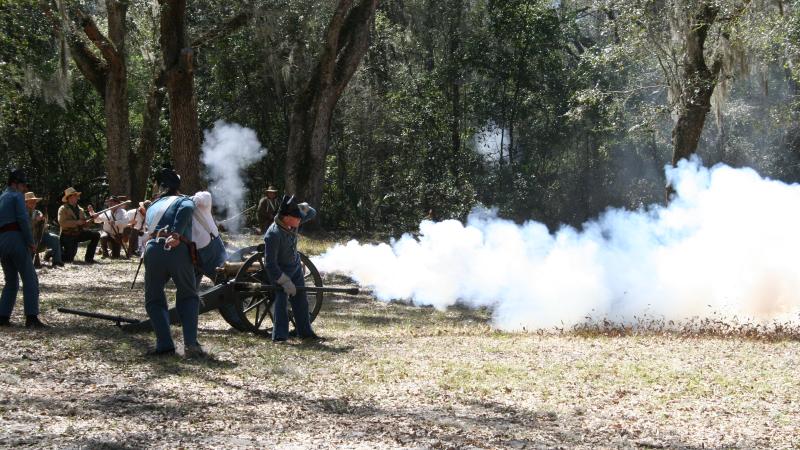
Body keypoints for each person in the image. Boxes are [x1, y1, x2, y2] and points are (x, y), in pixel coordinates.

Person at [142, 167, 203, 357]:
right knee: (188, 296)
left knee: (154, 298)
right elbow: (186, 208)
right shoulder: (184, 200)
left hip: (153, 249)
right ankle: (191, 345)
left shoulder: (153, 205)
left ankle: (164, 344)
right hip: (177, 251)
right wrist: (176, 233)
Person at [263, 194, 318, 342]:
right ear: (286, 217)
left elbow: (312, 212)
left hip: (295, 268)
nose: (300, 220)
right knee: (281, 303)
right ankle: (280, 336)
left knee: (301, 301)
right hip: (280, 272)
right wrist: (285, 281)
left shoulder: (293, 221)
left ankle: (305, 332)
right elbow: (270, 264)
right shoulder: (273, 235)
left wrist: (299, 205)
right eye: (297, 217)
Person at [0, 169, 47, 328]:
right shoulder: (16, 196)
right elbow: (22, 219)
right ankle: (31, 317)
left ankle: (3, 316)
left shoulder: (2, 197)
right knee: (30, 278)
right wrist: (30, 241)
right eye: (22, 185)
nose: (24, 189)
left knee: (11, 281)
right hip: (16, 238)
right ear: (15, 183)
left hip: (2, 241)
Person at [191, 191, 226, 288]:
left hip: (196, 248)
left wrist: (186, 202)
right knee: (223, 278)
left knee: (192, 284)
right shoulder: (179, 204)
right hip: (206, 247)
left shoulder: (182, 203)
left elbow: (204, 197)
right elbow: (206, 196)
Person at [58, 187, 100, 264]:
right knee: (68, 259)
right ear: (69, 198)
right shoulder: (63, 209)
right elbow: (62, 223)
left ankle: (89, 258)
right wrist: (77, 222)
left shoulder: (80, 209)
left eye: (76, 195)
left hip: (78, 233)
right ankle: (52, 253)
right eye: (74, 195)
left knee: (96, 235)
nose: (77, 197)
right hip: (67, 236)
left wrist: (92, 219)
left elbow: (85, 225)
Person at [24, 192, 63, 268]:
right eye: (31, 201)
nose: (33, 203)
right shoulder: (21, 213)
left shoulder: (37, 212)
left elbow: (43, 225)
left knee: (55, 238)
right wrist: (35, 220)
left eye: (34, 202)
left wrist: (43, 221)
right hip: (27, 239)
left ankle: (57, 261)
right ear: (26, 203)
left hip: (40, 237)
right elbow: (25, 226)